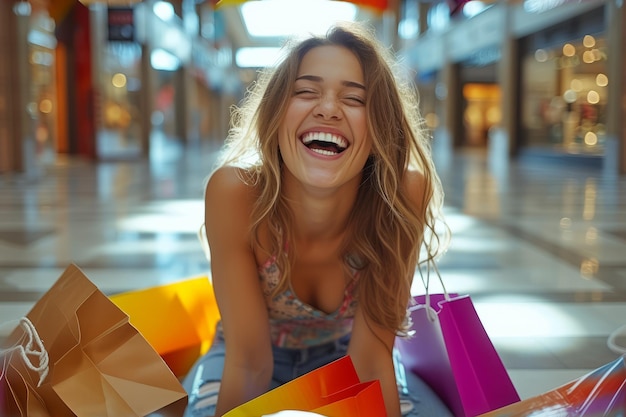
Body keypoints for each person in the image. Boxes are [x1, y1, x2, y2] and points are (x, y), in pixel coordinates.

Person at [183, 21, 451, 417]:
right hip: (242, 359)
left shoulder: (402, 194)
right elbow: (249, 363)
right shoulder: (235, 193)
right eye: (306, 92)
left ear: (379, 128)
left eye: (355, 99)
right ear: (276, 117)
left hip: (349, 361)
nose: (327, 108)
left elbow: (372, 363)